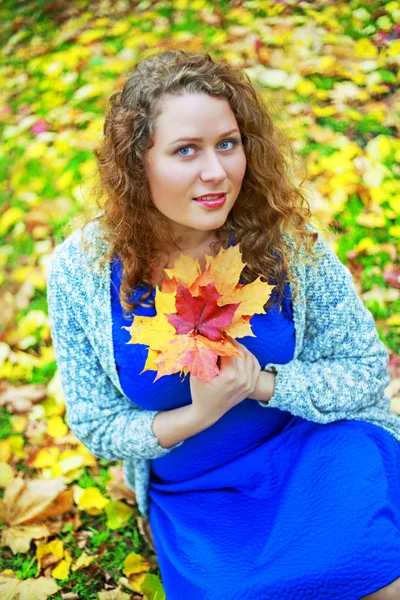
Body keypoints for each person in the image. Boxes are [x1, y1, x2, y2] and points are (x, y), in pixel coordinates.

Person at [47, 50, 400, 599]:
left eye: (227, 144)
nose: (216, 171)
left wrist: (261, 385)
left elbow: (363, 371)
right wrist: (198, 414)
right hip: (200, 495)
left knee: (370, 570)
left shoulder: (282, 238)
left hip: (315, 448)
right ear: (138, 163)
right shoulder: (81, 272)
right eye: (185, 150)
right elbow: (97, 424)